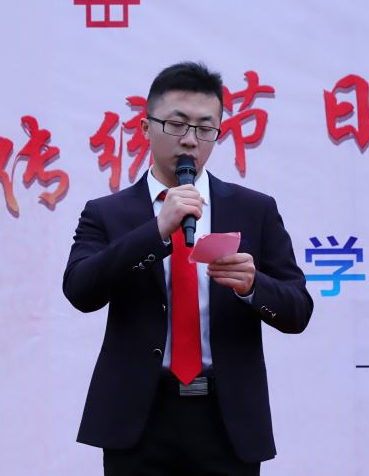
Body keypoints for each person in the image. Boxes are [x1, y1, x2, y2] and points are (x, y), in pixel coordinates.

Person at [63, 62, 313, 475]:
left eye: (205, 128)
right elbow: (80, 290)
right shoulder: (107, 213)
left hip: (227, 420)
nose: (191, 139)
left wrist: (253, 286)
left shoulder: (254, 210)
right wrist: (155, 231)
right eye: (177, 124)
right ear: (145, 128)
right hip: (138, 420)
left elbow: (298, 311)